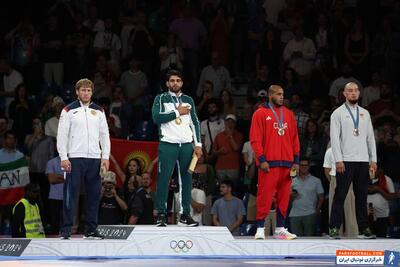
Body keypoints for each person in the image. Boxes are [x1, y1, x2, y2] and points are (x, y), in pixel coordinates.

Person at [57, 78, 110, 239]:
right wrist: (64, 157)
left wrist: (105, 157)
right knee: (70, 194)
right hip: (74, 158)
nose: (85, 93)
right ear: (77, 92)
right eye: (83, 90)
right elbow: (62, 136)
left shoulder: (99, 111)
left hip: (94, 158)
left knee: (94, 195)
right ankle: (66, 229)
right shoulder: (68, 110)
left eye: (88, 90)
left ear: (92, 93)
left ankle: (91, 229)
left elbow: (104, 135)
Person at [151, 69, 202, 227]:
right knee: (164, 179)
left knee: (186, 180)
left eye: (178, 80)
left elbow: (195, 123)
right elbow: (156, 117)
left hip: (186, 144)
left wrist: (198, 144)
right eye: (172, 80)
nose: (175, 83)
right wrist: (177, 112)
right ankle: (161, 214)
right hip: (168, 143)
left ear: (182, 83)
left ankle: (185, 215)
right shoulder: (161, 98)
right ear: (167, 83)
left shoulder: (188, 100)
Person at [250, 85, 300, 240]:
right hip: (268, 164)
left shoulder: (289, 114)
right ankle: (260, 228)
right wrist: (262, 159)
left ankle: (280, 228)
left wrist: (296, 161)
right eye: (278, 94)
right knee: (264, 196)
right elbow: (255, 139)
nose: (281, 97)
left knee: (284, 197)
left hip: (287, 163)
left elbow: (294, 139)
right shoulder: (260, 113)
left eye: (283, 94)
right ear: (270, 95)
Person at [329, 82, 377, 239]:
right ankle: (334, 228)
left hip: (363, 160)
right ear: (344, 93)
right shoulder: (337, 113)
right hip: (346, 161)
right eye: (350, 91)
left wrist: (373, 160)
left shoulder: (365, 113)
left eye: (356, 90)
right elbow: (334, 139)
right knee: (340, 195)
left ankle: (363, 228)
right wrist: (338, 160)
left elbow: (370, 138)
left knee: (362, 196)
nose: (354, 93)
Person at [289, 158, 324, 237]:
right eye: (301, 165)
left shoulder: (316, 181)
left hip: (310, 214)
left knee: (310, 239)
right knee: (295, 240)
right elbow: (287, 198)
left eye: (305, 165)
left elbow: (321, 197)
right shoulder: (292, 181)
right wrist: (291, 195)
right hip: (294, 214)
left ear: (309, 166)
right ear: (298, 166)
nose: (303, 167)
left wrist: (317, 210)